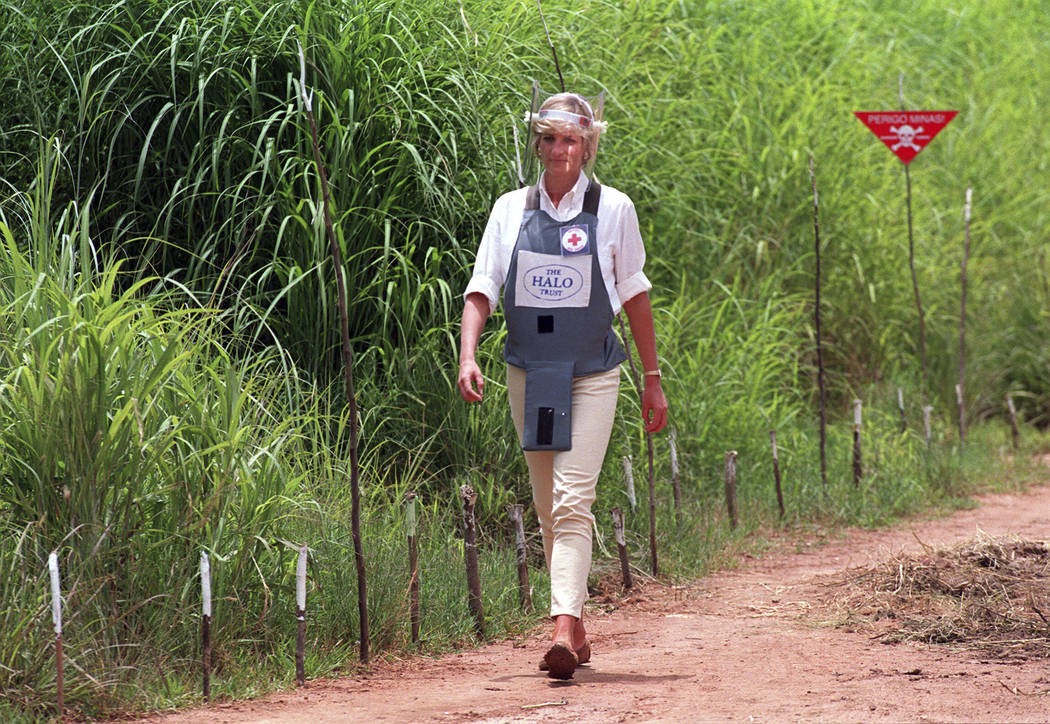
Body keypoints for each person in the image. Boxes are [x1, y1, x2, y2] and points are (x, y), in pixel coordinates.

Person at [457, 91, 668, 679]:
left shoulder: (614, 209)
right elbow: (483, 285)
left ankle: (556, 629)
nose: (558, 150)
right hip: (530, 372)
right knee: (550, 506)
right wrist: (468, 353)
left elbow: (635, 295)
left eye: (569, 139)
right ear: (538, 143)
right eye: (548, 139)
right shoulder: (510, 209)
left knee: (575, 499)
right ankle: (576, 626)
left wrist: (652, 379)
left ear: (588, 145)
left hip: (594, 373)